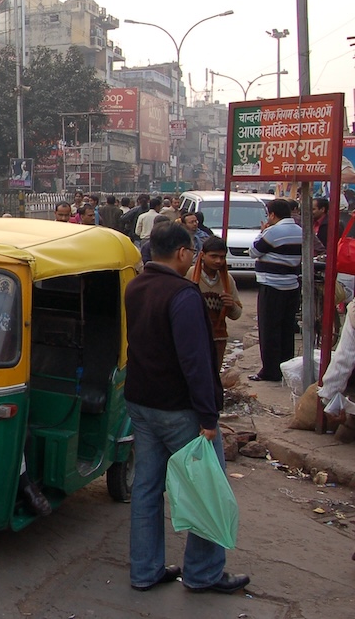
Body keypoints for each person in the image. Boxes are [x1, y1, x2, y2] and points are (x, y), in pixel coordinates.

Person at [124, 222, 249, 595]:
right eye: (192, 251)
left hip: (142, 402)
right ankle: (203, 573)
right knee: (204, 488)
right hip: (178, 409)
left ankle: (144, 570)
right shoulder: (183, 294)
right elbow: (196, 360)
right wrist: (208, 416)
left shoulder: (136, 287)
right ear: (181, 253)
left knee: (146, 488)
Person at [249, 198, 303, 382]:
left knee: (269, 329)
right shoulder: (300, 231)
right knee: (287, 328)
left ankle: (270, 371)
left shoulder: (272, 232)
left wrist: (262, 231)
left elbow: (254, 251)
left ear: (272, 215)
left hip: (271, 286)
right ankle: (286, 367)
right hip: (292, 285)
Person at [188, 235, 243, 373]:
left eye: (222, 257)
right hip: (194, 336)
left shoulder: (227, 280)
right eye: (213, 256)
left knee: (213, 374)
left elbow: (236, 315)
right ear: (203, 255)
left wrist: (231, 305)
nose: (218, 261)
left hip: (218, 337)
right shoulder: (190, 275)